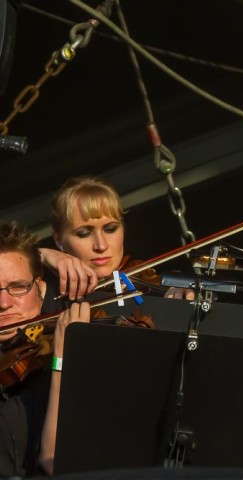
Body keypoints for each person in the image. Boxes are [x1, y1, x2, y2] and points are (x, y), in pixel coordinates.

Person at [0, 222, 90, 476]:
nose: (4, 303)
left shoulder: (60, 327)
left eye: (17, 287)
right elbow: (51, 465)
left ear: (40, 289)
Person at [47, 176, 193, 305]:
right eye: (84, 233)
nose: (101, 245)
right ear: (58, 239)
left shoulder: (143, 279)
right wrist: (42, 254)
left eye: (110, 229)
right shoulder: (45, 295)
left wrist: (181, 288)